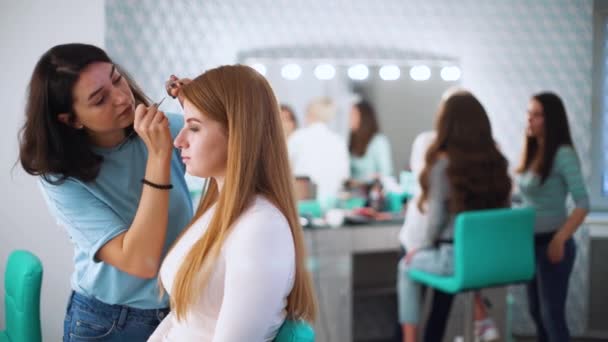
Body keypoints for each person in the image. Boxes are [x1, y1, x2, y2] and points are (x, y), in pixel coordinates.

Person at [18, 43, 193, 341]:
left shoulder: (170, 130)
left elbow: (239, 151)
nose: (123, 98)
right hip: (109, 324)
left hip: (179, 314)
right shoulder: (59, 178)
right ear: (70, 119)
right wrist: (159, 158)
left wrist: (203, 106)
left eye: (116, 79)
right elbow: (141, 261)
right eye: (100, 100)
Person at [148, 65, 317, 341]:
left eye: (193, 128)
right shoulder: (217, 211)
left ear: (238, 133)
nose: (179, 141)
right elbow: (184, 319)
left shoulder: (261, 228)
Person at [396, 91, 511, 342]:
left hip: (453, 260)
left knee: (405, 266)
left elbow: (435, 220)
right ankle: (481, 317)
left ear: (446, 123)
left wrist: (420, 248)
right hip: (485, 260)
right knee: (443, 297)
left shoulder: (442, 165)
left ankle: (409, 339)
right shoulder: (497, 162)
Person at [516, 92, 589, 342]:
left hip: (553, 244)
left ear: (552, 120)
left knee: (552, 316)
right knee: (536, 313)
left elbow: (583, 203)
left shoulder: (563, 154)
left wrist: (560, 239)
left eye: (536, 115)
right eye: (529, 113)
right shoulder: (533, 152)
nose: (529, 120)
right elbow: (528, 198)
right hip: (529, 245)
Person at [287, 97, 349, 204]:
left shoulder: (298, 137)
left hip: (303, 203)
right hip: (332, 203)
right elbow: (345, 176)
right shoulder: (338, 141)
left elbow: (284, 169)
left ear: (310, 114)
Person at [349, 100, 393, 181]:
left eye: (354, 115)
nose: (350, 118)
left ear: (364, 118)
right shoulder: (351, 140)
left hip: (371, 190)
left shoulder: (378, 141)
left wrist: (360, 182)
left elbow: (386, 172)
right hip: (353, 191)